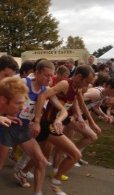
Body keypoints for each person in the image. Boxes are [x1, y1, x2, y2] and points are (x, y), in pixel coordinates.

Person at [0, 60, 68, 195]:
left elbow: (63, 110)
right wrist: (4, 115)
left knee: (42, 161)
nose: (50, 79)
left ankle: (37, 193)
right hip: (9, 126)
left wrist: (59, 120)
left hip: (24, 128)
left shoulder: (46, 91)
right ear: (37, 73)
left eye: (52, 76)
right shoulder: (23, 83)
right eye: (47, 75)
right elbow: (0, 97)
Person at [32, 65, 100, 195]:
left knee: (41, 159)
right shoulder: (65, 83)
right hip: (48, 123)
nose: (88, 85)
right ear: (79, 76)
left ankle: (22, 172)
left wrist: (82, 118)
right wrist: (37, 120)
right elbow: (42, 96)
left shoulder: (77, 87)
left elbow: (77, 103)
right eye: (86, 82)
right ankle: (54, 183)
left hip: (59, 121)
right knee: (73, 154)